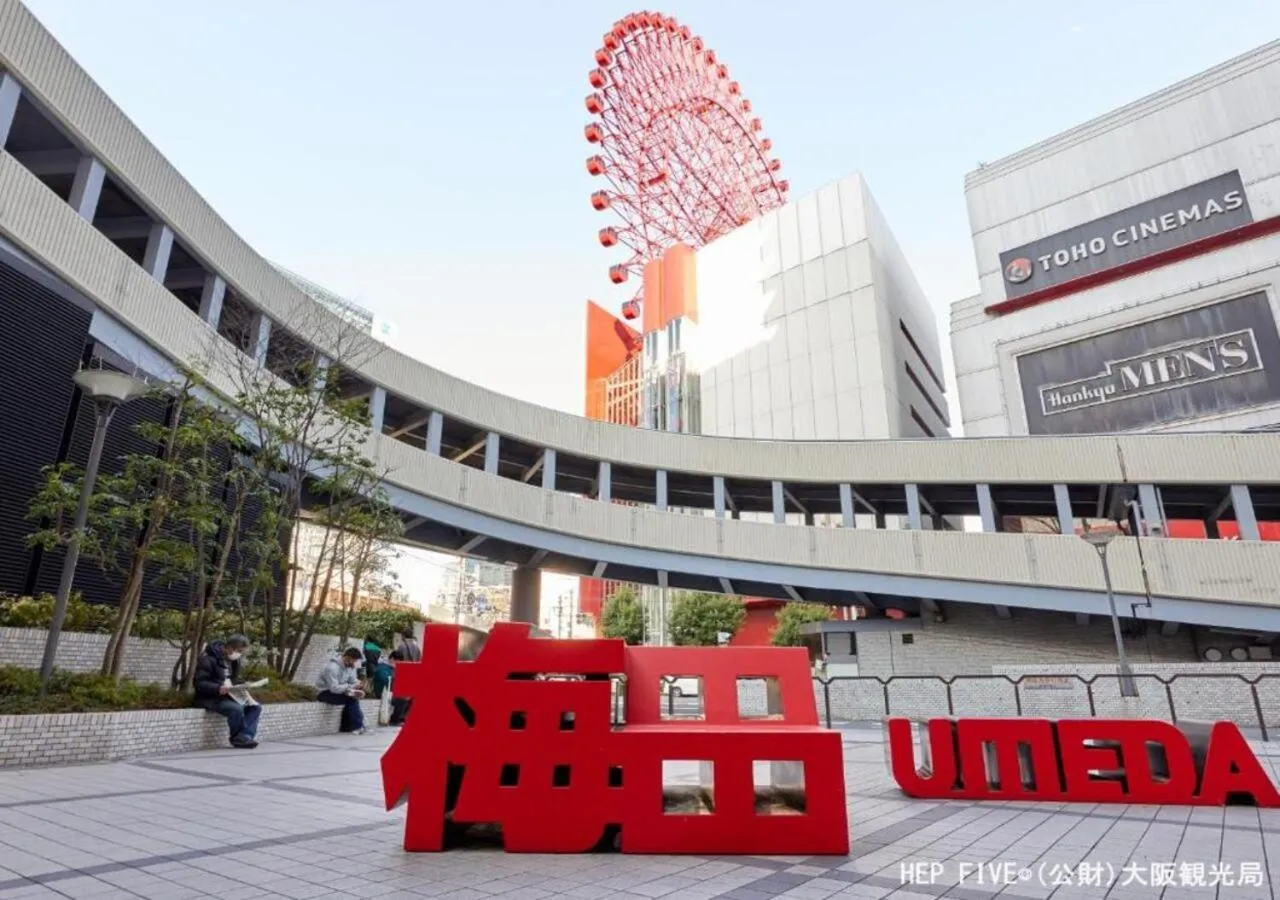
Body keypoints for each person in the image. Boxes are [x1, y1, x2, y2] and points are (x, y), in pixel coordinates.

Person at [193, 635, 260, 749]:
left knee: (255, 707)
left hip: (229, 695)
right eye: (238, 651)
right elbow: (199, 683)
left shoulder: (234, 661)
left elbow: (232, 679)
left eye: (241, 652)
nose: (239, 654)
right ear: (229, 647)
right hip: (210, 698)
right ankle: (236, 738)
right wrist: (218, 688)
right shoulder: (208, 660)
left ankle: (244, 736)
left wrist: (243, 685)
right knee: (236, 709)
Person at [316, 647, 367, 734]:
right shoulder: (332, 668)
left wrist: (360, 684)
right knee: (351, 699)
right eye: (354, 661)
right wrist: (351, 686)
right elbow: (334, 688)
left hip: (339, 691)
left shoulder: (349, 667)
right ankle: (357, 727)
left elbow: (353, 680)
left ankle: (349, 727)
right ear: (347, 658)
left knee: (352, 698)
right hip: (324, 693)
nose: (354, 663)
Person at [388, 628, 422, 727]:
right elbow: (419, 661)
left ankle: (396, 719)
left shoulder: (401, 646)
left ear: (403, 636)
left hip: (403, 673)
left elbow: (397, 660)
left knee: (400, 698)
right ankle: (404, 718)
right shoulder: (417, 648)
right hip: (413, 674)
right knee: (410, 697)